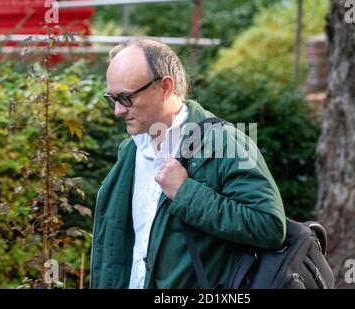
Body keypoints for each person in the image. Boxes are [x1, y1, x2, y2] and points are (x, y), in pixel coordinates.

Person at [90, 37, 286, 289]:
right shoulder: (130, 150)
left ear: (165, 87)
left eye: (126, 98)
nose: (117, 110)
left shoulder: (227, 143)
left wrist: (185, 193)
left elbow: (269, 226)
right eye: (112, 98)